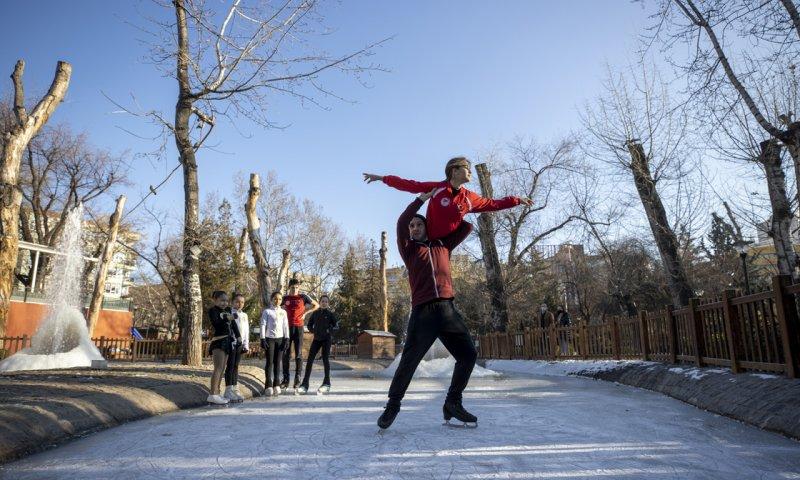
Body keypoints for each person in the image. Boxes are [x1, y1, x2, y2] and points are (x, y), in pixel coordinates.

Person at [378, 189, 477, 430]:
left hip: (447, 310)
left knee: (468, 356)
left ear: (427, 226)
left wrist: (452, 207)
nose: (413, 228)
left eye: (418, 224)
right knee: (409, 361)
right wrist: (420, 200)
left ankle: (453, 402)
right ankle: (393, 405)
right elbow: (401, 221)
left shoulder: (443, 244)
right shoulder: (409, 249)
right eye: (411, 226)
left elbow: (466, 228)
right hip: (423, 313)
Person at [363, 156, 533, 240]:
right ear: (455, 170)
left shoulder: (469, 198)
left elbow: (493, 204)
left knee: (467, 226)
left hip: (447, 245)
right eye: (467, 169)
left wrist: (516, 200)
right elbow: (410, 185)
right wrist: (382, 178)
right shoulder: (438, 188)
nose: (470, 173)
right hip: (428, 241)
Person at [281, 279, 318, 389]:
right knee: (286, 354)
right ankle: (286, 379)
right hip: (287, 328)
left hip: (299, 327)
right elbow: (277, 306)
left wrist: (306, 313)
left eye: (297, 287)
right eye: (293, 287)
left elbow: (316, 305)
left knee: (298, 354)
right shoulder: (285, 298)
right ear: (289, 288)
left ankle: (297, 378)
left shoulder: (303, 297)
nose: (295, 289)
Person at [298, 294, 339, 394]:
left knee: (325, 360)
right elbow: (309, 325)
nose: (324, 303)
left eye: (326, 301)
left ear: (328, 304)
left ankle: (326, 383)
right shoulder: (315, 313)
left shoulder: (330, 314)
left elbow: (336, 326)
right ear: (319, 302)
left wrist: (329, 331)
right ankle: (305, 384)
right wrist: (313, 330)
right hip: (316, 339)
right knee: (310, 360)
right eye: (322, 301)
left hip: (326, 340)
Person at [207, 291, 242, 405]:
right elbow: (216, 323)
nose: (224, 303)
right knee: (218, 368)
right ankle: (213, 394)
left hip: (227, 340)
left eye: (226, 301)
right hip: (218, 340)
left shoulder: (227, 310)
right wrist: (228, 318)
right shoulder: (213, 310)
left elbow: (233, 325)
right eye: (222, 300)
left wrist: (238, 336)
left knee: (222, 368)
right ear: (215, 300)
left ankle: (217, 392)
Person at [260, 291, 289, 396]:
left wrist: (287, 338)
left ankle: (276, 383)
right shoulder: (267, 311)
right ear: (271, 299)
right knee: (270, 362)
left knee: (277, 362)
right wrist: (262, 338)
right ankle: (268, 384)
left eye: (280, 299)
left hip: (280, 339)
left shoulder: (283, 312)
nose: (277, 301)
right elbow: (263, 325)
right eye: (275, 299)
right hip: (269, 339)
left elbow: (285, 326)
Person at [223, 293, 249, 402]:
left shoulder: (244, 315)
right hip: (231, 342)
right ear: (232, 302)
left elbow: (246, 330)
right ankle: (228, 389)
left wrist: (246, 344)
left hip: (240, 343)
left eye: (242, 302)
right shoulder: (229, 313)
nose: (240, 304)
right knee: (230, 365)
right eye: (237, 302)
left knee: (236, 365)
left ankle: (235, 387)